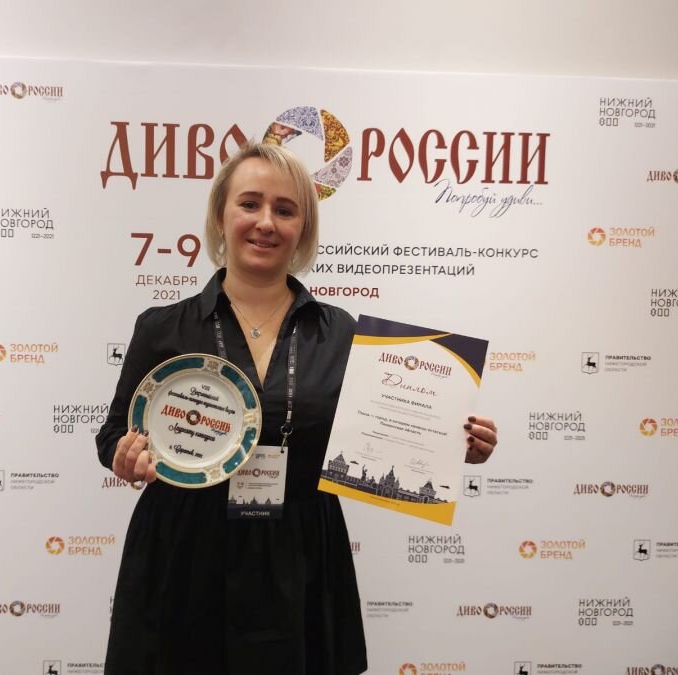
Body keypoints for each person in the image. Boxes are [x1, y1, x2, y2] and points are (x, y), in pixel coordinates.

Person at [96, 141, 498, 675]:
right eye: (250, 204)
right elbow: (112, 435)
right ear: (220, 216)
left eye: (285, 210)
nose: (266, 222)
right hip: (184, 548)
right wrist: (126, 456)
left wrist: (453, 441)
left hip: (300, 551)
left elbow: (383, 434)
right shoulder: (163, 327)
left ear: (302, 228)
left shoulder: (342, 334)